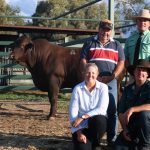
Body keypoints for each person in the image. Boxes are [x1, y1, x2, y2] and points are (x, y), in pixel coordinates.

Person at [80, 19, 125, 145]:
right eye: (103, 29)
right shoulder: (89, 42)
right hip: (93, 80)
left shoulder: (116, 45)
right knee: (91, 107)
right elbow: (83, 60)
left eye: (108, 30)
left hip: (110, 80)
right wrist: (91, 75)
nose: (106, 32)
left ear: (111, 31)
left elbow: (121, 62)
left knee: (112, 109)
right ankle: (94, 137)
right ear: (99, 29)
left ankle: (112, 139)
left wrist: (113, 76)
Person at [69, 63, 109, 150]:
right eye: (88, 73)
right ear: (84, 74)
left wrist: (83, 117)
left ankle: (96, 142)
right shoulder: (77, 89)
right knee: (82, 148)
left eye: (93, 73)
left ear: (97, 74)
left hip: (95, 125)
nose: (90, 75)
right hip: (81, 127)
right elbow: (73, 114)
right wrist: (79, 133)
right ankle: (87, 142)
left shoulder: (103, 88)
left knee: (100, 119)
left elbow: (102, 109)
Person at [115, 59, 150, 150]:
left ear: (147, 74)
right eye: (138, 69)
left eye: (143, 70)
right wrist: (125, 129)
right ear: (133, 72)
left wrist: (132, 109)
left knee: (144, 114)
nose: (140, 72)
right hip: (132, 127)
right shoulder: (127, 89)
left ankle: (146, 145)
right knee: (118, 147)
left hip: (147, 128)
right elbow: (121, 112)